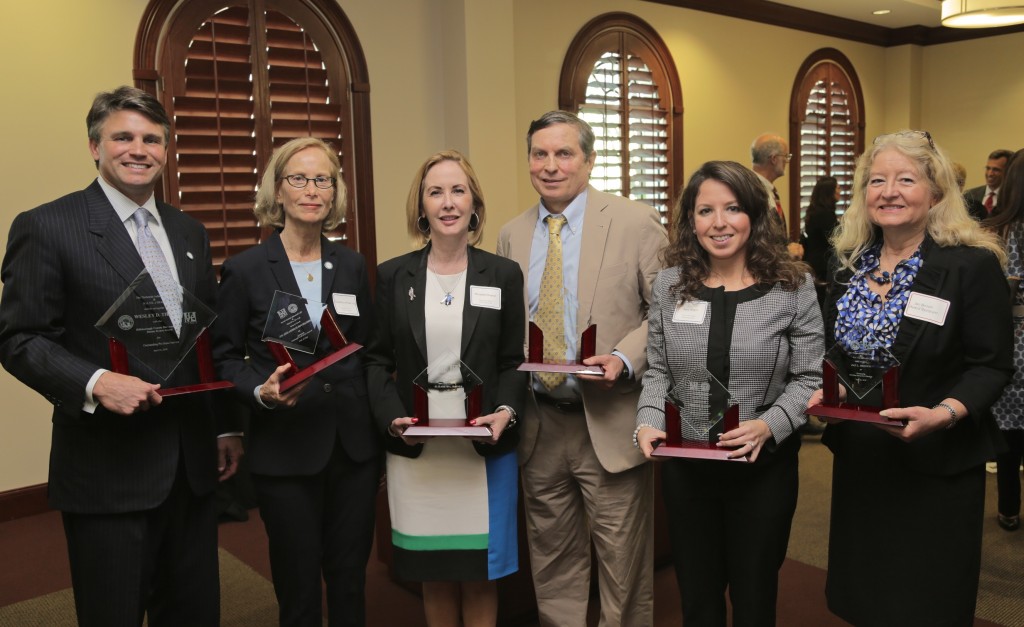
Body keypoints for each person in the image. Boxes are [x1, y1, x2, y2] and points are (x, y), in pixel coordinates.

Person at [0, 86, 242, 627]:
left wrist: (225, 428)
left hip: (190, 466)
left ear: (166, 148)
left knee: (194, 609)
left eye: (152, 138)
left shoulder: (189, 233)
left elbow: (204, 340)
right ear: (94, 147)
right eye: (123, 137)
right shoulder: (46, 226)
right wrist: (96, 382)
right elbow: (20, 339)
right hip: (108, 470)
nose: (140, 149)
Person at [807, 130, 1012, 626]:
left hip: (936, 462)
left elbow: (992, 364)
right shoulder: (848, 261)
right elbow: (835, 348)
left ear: (936, 192)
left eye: (905, 179)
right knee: (867, 594)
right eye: (877, 180)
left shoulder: (971, 266)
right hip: (862, 459)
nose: (889, 191)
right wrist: (824, 386)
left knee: (925, 600)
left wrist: (945, 414)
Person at [635, 161, 823, 626]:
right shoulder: (668, 285)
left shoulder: (792, 286)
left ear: (755, 215)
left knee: (754, 593)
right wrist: (648, 420)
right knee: (697, 594)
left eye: (732, 208)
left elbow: (809, 378)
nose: (719, 223)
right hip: (687, 468)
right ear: (690, 221)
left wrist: (769, 426)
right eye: (705, 211)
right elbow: (658, 370)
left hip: (763, 469)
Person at [497, 111, 667, 626]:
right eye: (540, 154)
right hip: (540, 423)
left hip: (609, 422)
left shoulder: (634, 221)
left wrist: (622, 357)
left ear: (589, 160)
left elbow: (667, 311)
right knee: (553, 564)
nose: (551, 166)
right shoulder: (511, 234)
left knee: (622, 569)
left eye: (564, 153)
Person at [211, 137, 381, 626]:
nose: (312, 189)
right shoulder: (244, 270)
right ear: (277, 191)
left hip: (351, 448)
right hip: (285, 449)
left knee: (351, 576)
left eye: (322, 179)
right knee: (298, 581)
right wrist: (259, 391)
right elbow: (224, 358)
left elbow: (365, 347)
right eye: (299, 179)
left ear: (334, 193)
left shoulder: (350, 264)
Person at [365, 150, 525, 627]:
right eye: (436, 191)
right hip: (420, 454)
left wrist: (506, 412)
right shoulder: (394, 275)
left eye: (458, 190)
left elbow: (513, 361)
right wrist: (392, 419)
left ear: (474, 202)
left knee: (480, 575)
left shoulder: (502, 274)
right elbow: (376, 359)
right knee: (433, 575)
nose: (448, 202)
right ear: (421, 206)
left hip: (482, 451)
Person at [983, 148, 1024, 532]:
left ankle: (1009, 509)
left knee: (1010, 434)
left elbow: (1001, 293)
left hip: (1012, 340)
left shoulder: (1000, 229)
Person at [751, 132, 802, 259]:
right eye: (786, 156)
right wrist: (785, 253)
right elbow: (755, 242)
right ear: (774, 159)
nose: (787, 161)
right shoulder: (752, 192)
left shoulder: (768, 190)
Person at [801, 176, 840, 284]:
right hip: (822, 267)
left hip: (814, 263)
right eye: (837, 188)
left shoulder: (816, 210)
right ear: (830, 192)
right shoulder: (824, 214)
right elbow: (836, 239)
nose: (839, 191)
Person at [964, 148, 1013, 218]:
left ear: (1008, 171)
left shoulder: (1013, 199)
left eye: (996, 170)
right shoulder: (969, 195)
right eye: (988, 168)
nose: (990, 174)